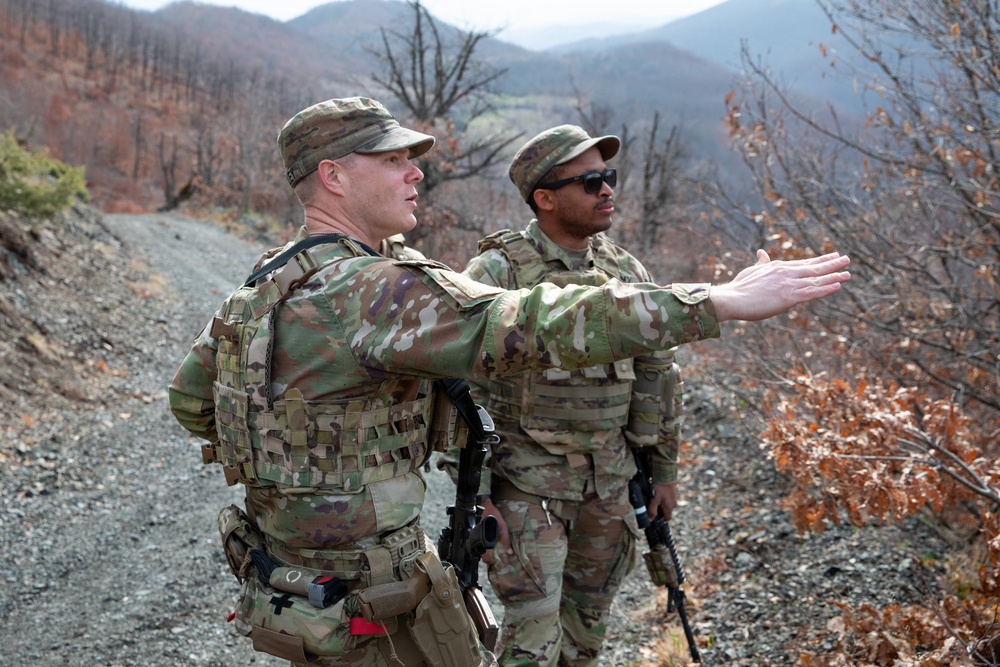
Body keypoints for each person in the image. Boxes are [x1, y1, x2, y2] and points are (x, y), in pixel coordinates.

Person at [167, 96, 851, 667]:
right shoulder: (368, 291)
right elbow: (525, 320)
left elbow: (194, 399)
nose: (416, 175)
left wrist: (305, 478)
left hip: (300, 584)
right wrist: (715, 300)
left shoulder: (272, 278)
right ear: (334, 177)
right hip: (373, 595)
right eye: (394, 159)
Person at [452, 124, 685, 667]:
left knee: (585, 639)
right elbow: (462, 387)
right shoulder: (497, 272)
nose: (607, 191)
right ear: (545, 198)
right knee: (530, 644)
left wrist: (664, 469)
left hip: (609, 483)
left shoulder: (625, 271)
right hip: (526, 487)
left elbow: (658, 373)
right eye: (591, 181)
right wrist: (478, 495)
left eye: (609, 178)